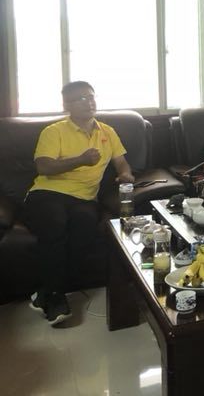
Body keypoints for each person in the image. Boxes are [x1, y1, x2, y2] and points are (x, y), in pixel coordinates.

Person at [24, 81, 135, 326]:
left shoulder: (107, 131)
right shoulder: (54, 131)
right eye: (81, 98)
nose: (89, 102)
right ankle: (56, 295)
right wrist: (80, 160)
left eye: (91, 97)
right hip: (47, 194)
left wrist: (125, 174)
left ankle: (45, 292)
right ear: (67, 105)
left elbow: (121, 162)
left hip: (84, 198)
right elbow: (44, 166)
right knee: (55, 221)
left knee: (84, 224)